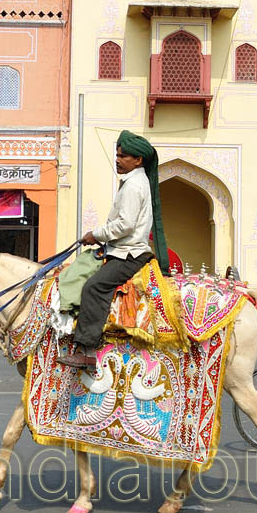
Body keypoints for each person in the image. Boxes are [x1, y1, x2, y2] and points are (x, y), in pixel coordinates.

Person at [58, 131, 169, 369]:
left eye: (123, 156)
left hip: (130, 253)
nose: (118, 160)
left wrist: (95, 234)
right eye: (117, 155)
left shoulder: (134, 185)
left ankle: (87, 351)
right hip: (119, 249)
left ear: (138, 160)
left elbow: (125, 225)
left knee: (94, 287)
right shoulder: (134, 182)